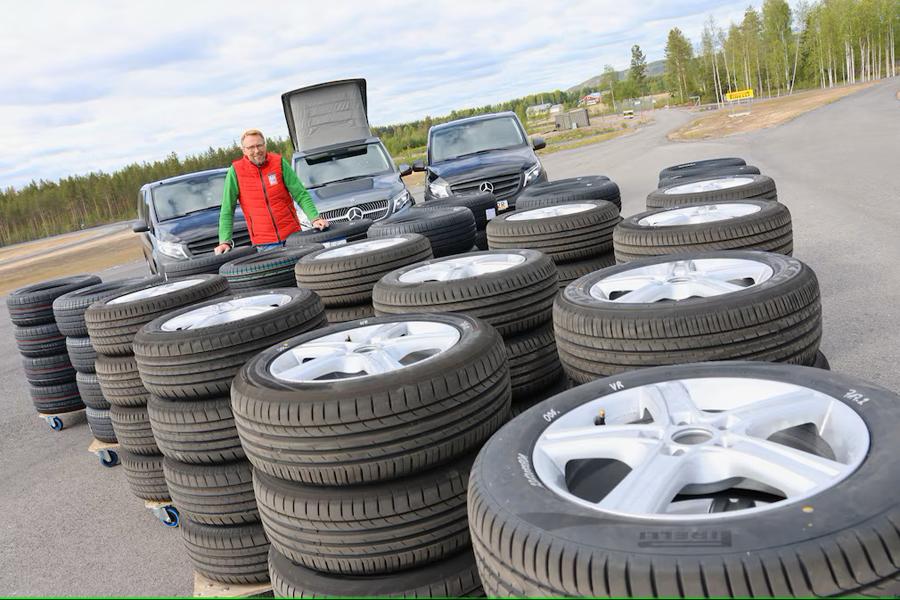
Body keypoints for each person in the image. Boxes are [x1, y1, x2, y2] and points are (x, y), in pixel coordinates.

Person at [215, 129, 328, 254]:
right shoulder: (235, 171)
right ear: (244, 150)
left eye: (259, 145)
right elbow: (227, 209)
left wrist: (315, 218)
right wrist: (224, 241)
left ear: (265, 145)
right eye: (251, 147)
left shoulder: (279, 162)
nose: (257, 151)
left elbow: (300, 194)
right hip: (264, 244)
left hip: (293, 236)